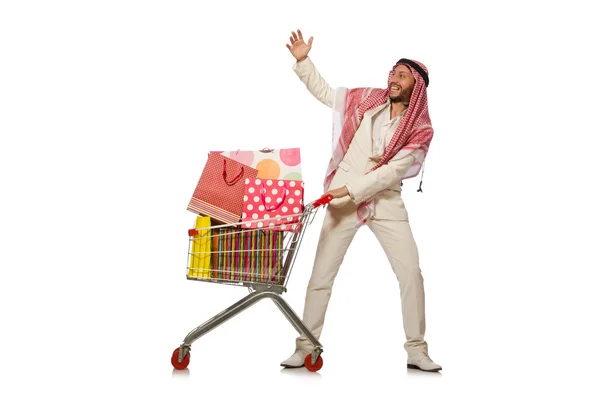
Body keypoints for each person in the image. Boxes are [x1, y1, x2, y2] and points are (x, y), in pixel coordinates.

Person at [280, 29, 442, 372]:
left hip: (384, 202)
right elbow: (326, 93)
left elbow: (390, 173)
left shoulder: (421, 130)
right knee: (321, 274)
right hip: (340, 200)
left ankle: (416, 350)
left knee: (411, 272)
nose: (393, 78)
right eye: (393, 72)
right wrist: (303, 61)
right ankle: (306, 345)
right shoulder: (367, 99)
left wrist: (351, 190)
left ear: (417, 86)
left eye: (402, 75)